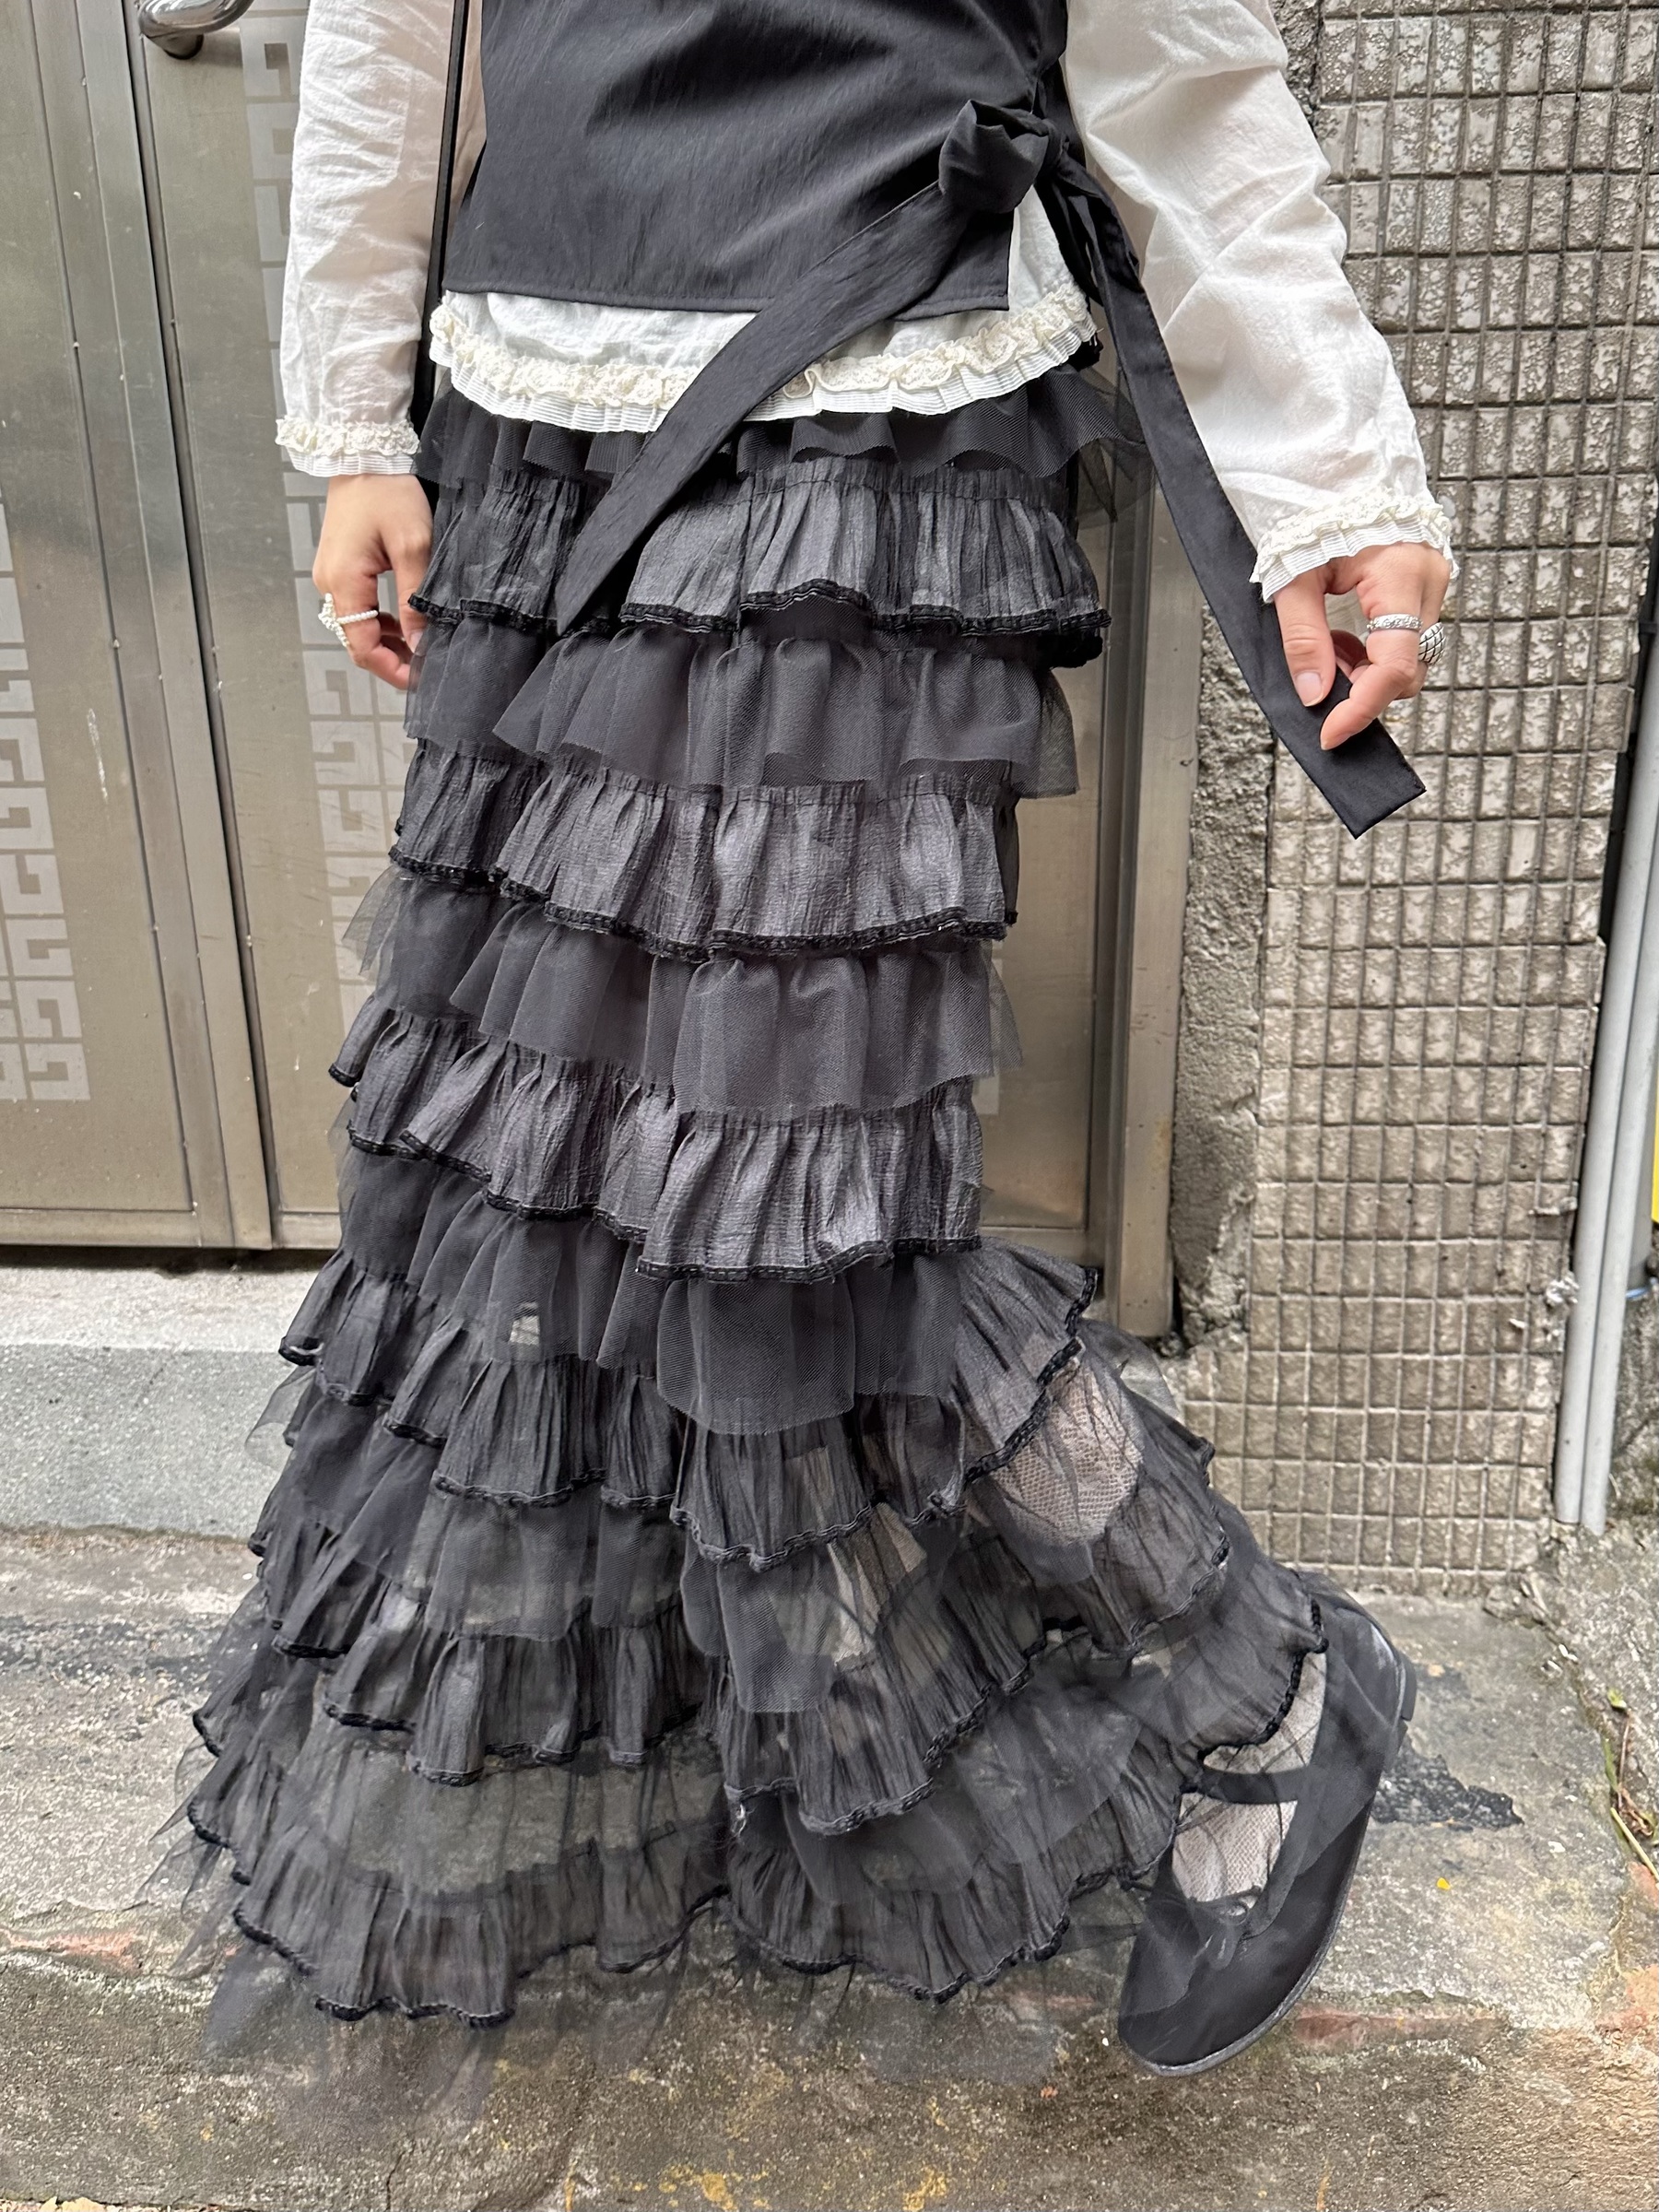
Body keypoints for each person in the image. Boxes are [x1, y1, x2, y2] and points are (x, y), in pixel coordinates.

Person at [185, 0, 1452, 2075]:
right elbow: (390, 24)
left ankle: (1260, 1668)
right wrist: (352, 422)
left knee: (793, 1200)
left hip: (874, 418)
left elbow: (1181, 69)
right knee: (547, 1147)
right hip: (545, 422)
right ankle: (774, 1714)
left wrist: (1326, 482)